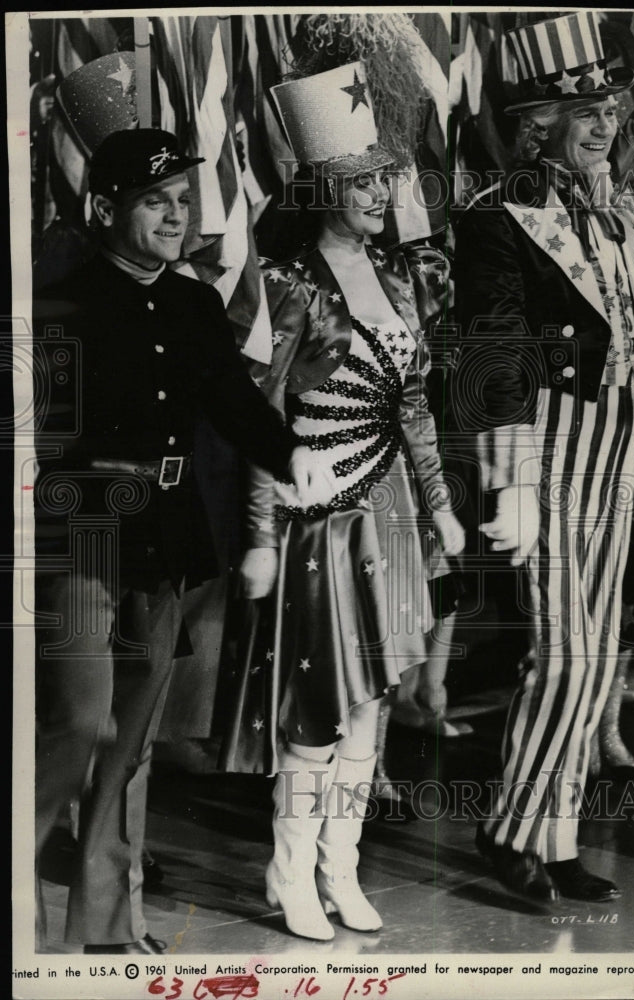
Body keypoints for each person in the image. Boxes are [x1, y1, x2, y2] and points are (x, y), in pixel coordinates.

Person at [33, 127, 327, 954]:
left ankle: (108, 926)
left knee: (128, 742)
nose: (174, 216)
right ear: (107, 208)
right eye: (154, 201)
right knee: (78, 723)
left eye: (181, 201)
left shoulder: (195, 303)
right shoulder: (62, 296)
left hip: (167, 534)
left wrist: (291, 450)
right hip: (83, 528)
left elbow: (233, 402)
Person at [238, 62, 465, 940]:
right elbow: (261, 416)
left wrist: (440, 503)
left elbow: (408, 400)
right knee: (320, 704)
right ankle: (288, 871)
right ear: (324, 185)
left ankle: (342, 868)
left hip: (394, 509)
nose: (381, 194)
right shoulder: (286, 284)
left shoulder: (402, 276)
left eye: (386, 177)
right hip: (321, 516)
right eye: (363, 180)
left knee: (376, 699)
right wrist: (260, 534)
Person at [454, 11, 634, 904]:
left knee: (602, 654)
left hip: (622, 438)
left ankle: (556, 834)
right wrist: (513, 475)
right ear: (538, 123)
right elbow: (491, 345)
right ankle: (508, 828)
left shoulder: (621, 214)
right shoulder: (501, 216)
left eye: (608, 106)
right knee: (563, 653)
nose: (603, 123)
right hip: (554, 441)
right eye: (582, 111)